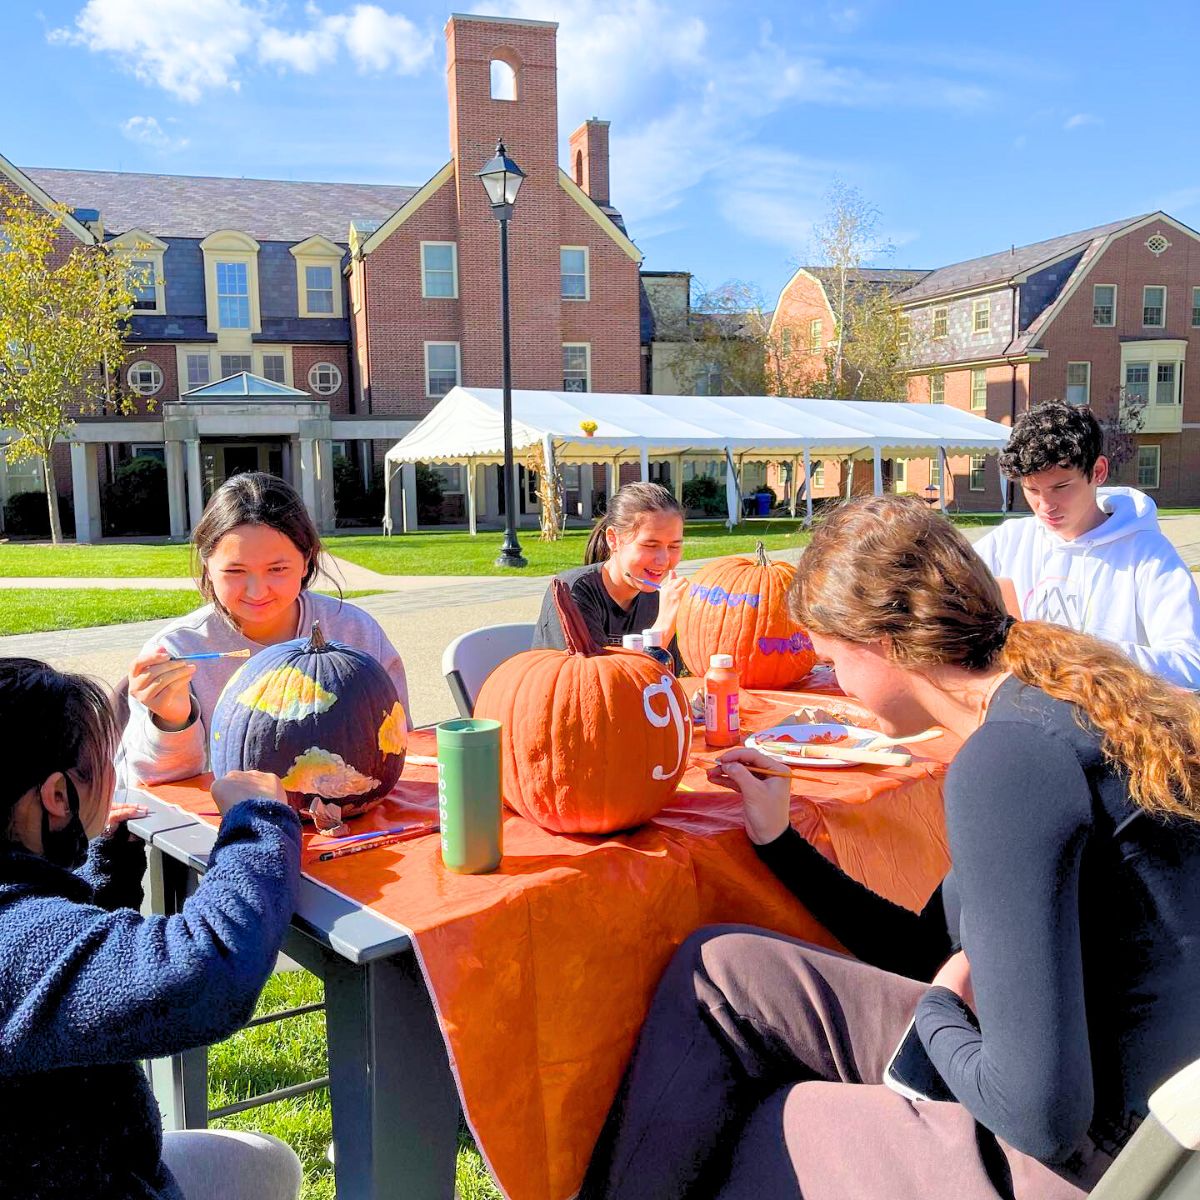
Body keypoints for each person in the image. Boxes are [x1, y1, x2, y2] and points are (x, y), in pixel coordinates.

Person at [581, 494, 1200, 1200]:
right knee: (720, 969)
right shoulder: (1062, 703)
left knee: (778, 1120)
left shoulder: (1010, 765)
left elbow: (1042, 1116)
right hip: (1115, 1084)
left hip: (1108, 1163)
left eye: (831, 659)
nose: (835, 682)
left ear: (877, 644)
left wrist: (938, 1012)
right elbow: (934, 948)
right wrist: (780, 843)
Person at [0, 657, 304, 1200]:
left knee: (269, 1164)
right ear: (56, 796)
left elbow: (72, 987)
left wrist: (101, 872)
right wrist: (258, 823)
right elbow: (205, 972)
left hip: (62, 1159)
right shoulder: (16, 942)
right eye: (106, 761)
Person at [122, 472, 410, 786]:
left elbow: (396, 743)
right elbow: (153, 786)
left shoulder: (354, 631)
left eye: (277, 569)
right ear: (208, 567)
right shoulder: (177, 651)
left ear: (306, 561)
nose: (257, 591)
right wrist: (173, 720)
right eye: (235, 570)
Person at [975, 401, 1200, 689]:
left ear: (1098, 472)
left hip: (1112, 723)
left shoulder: (1147, 554)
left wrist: (1082, 656)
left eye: (1061, 487)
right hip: (1024, 712)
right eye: (1031, 489)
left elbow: (1190, 664)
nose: (1045, 506)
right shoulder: (1010, 540)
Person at [533, 482, 689, 667]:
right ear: (613, 540)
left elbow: (670, 679)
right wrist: (662, 627)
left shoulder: (656, 600)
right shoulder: (571, 593)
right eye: (650, 545)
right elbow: (595, 685)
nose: (663, 560)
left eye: (674, 546)